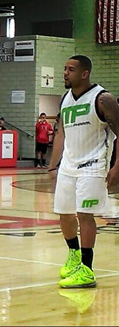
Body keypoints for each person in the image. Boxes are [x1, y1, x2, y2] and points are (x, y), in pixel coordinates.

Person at [48, 55, 119, 288]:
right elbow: (61, 133)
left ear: (84, 73)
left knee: (84, 215)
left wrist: (117, 166)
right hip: (69, 165)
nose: (65, 73)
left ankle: (87, 270)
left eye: (70, 69)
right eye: (64, 68)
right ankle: (74, 256)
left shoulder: (103, 99)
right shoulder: (65, 99)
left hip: (93, 165)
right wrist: (52, 165)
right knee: (64, 214)